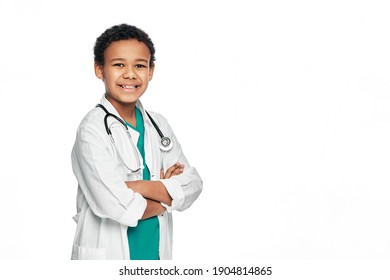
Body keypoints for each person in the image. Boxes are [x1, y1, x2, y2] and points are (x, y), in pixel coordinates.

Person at [71, 24, 203, 260]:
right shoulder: (91, 130)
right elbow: (118, 206)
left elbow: (193, 185)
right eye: (119, 64)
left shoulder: (158, 125)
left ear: (151, 71)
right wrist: (167, 195)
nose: (130, 74)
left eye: (140, 65)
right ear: (99, 69)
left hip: (154, 254)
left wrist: (136, 187)